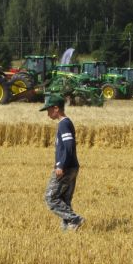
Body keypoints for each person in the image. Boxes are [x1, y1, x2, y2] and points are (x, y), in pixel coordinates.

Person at [41, 94, 85, 232]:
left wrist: (61, 165)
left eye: (48, 110)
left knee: (50, 198)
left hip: (66, 167)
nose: (47, 114)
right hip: (73, 166)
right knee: (64, 200)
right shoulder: (65, 123)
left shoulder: (63, 124)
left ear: (56, 108)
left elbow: (68, 145)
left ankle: (75, 219)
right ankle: (68, 230)